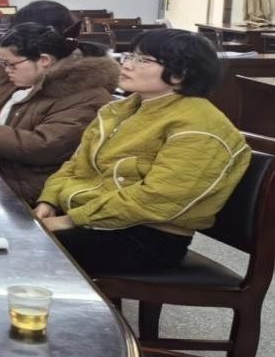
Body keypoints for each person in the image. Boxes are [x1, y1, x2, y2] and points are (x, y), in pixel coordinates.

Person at [34, 29, 251, 275]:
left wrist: (68, 221)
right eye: (130, 56)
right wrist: (49, 201)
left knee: (24, 248)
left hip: (147, 237)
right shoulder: (120, 110)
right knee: (13, 229)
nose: (127, 64)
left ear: (181, 73)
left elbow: (159, 198)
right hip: (93, 216)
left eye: (143, 60)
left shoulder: (201, 127)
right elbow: (76, 165)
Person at [0, 23, 120, 203]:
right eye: (4, 63)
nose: (7, 70)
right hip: (0, 168)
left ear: (44, 60)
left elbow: (43, 146)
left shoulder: (85, 95)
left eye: (12, 64)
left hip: (33, 184)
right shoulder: (24, 80)